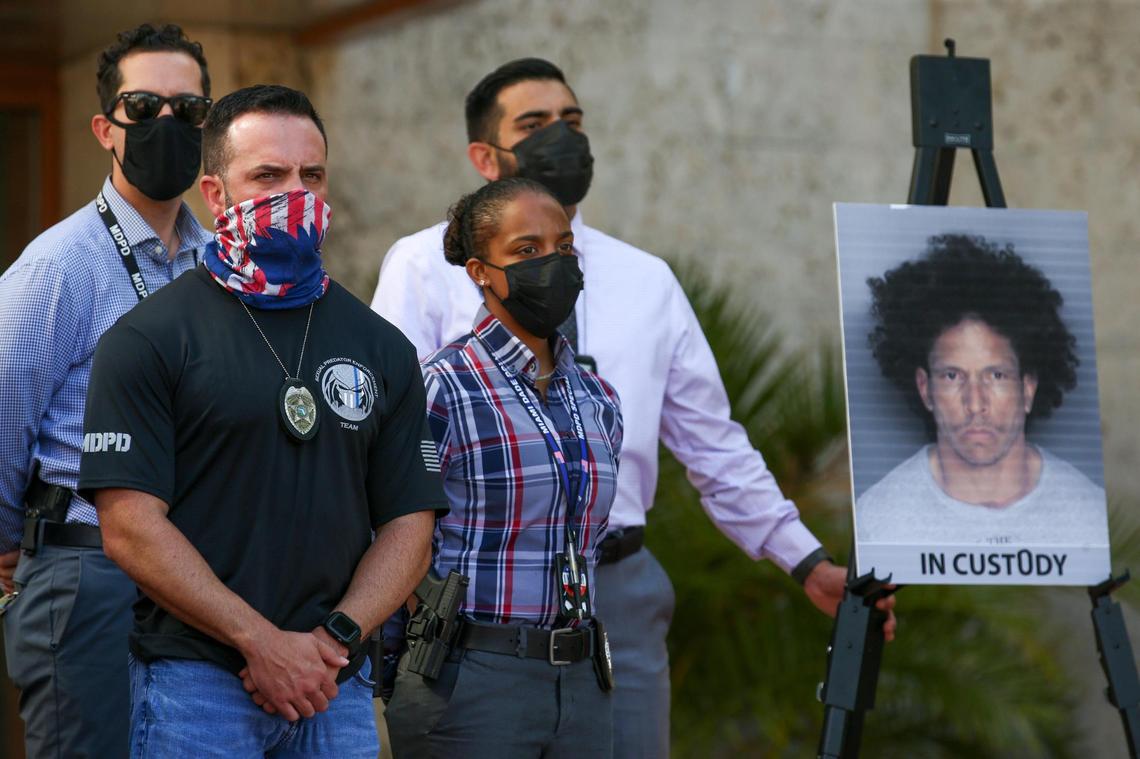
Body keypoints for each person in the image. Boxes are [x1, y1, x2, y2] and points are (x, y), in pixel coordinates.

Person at [371, 57, 895, 757]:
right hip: (476, 601)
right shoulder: (421, 266)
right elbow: (390, 447)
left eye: (572, 120)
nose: (562, 137)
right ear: (484, 156)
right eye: (534, 123)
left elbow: (714, 445)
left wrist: (806, 561)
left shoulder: (646, 281)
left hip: (616, 588)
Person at [77, 84, 445, 758]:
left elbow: (409, 525)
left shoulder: (382, 346)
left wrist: (334, 639)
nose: (295, 193)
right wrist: (260, 641)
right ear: (215, 195)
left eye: (312, 175)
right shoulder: (149, 339)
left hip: (334, 685)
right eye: (269, 176)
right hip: (197, 685)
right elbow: (129, 527)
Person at [0, 23, 212, 758]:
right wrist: (11, 541)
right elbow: (4, 412)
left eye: (188, 110)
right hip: (89, 569)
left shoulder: (219, 263)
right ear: (104, 129)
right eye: (144, 107)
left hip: (201, 579)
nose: (166, 124)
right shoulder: (59, 266)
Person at [384, 176, 623, 757]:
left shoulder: (598, 399)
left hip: (582, 679)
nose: (553, 264)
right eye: (526, 249)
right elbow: (388, 535)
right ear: (480, 271)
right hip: (470, 678)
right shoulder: (442, 387)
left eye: (564, 247)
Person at [856, 234, 1108, 546]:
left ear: (1028, 388)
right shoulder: (878, 520)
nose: (975, 403)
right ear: (924, 388)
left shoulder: (1090, 517)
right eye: (952, 376)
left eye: (997, 375)